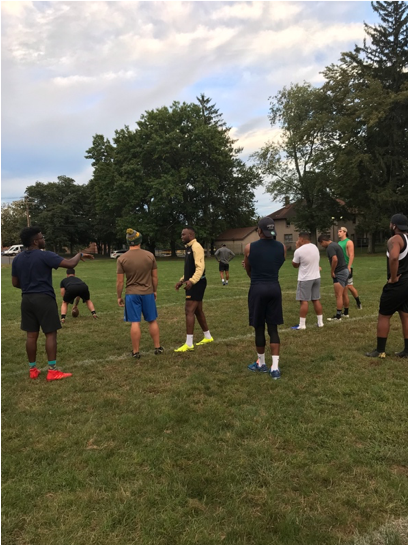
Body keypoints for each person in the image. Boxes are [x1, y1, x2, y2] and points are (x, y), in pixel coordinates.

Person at [11, 226, 94, 381]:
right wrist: (80, 254)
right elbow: (70, 264)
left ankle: (32, 370)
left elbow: (15, 283)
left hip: (27, 299)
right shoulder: (45, 255)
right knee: (50, 333)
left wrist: (30, 286)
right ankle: (52, 371)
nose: (44, 240)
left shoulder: (18, 259)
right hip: (44, 298)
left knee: (31, 335)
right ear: (35, 241)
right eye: (42, 237)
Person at [244, 217, 286, 379]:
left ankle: (261, 363)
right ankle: (275, 367)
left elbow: (248, 270)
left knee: (259, 327)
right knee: (273, 328)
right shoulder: (281, 247)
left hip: (257, 288)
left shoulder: (249, 247)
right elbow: (277, 264)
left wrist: (255, 273)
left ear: (259, 230)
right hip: (274, 287)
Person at [366, 213, 408, 359]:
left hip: (398, 283)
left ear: (394, 225)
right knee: (405, 315)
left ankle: (380, 350)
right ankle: (407, 350)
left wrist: (393, 277)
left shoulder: (395, 239)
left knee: (384, 315)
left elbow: (394, 257)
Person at [116, 228, 163, 359]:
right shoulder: (149, 256)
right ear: (140, 240)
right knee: (152, 320)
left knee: (135, 322)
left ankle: (136, 351)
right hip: (147, 292)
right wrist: (154, 290)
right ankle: (157, 347)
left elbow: (120, 282)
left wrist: (119, 296)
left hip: (131, 294)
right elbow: (154, 277)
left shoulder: (122, 258)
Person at [174, 227, 213, 352]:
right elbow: (189, 270)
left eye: (183, 234)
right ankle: (207, 336)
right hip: (194, 282)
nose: (181, 236)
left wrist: (191, 281)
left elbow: (199, 268)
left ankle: (189, 343)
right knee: (197, 311)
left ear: (191, 235)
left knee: (189, 310)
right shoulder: (189, 248)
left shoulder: (196, 247)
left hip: (197, 283)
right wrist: (182, 280)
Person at [291, 232, 324, 330]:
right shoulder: (315, 247)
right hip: (316, 277)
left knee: (304, 301)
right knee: (316, 299)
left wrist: (297, 249)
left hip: (305, 279)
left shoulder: (299, 251)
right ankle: (320, 322)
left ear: (301, 239)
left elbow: (295, 265)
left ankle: (302, 325)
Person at [317, 234, 349, 322]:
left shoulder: (330, 247)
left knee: (338, 295)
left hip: (339, 272)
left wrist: (332, 271)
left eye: (321, 244)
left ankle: (338, 316)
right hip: (345, 270)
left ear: (323, 241)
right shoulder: (336, 244)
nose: (322, 246)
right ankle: (346, 312)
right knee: (344, 293)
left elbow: (335, 259)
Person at [337, 227, 363, 316]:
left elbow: (351, 255)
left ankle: (357, 303)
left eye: (340, 231)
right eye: (338, 231)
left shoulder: (349, 242)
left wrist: (349, 266)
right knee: (349, 287)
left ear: (345, 232)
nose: (338, 233)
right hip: (340, 268)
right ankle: (355, 304)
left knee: (347, 288)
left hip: (347, 268)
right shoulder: (339, 243)